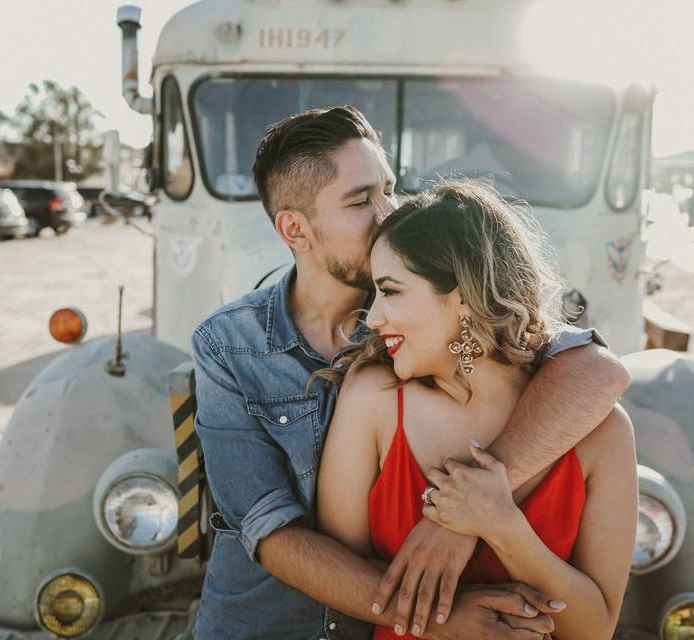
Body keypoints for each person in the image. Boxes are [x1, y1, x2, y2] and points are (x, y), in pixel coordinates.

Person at [190, 105, 631, 639]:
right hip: (272, 626)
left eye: (389, 189)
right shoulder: (229, 345)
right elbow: (269, 530)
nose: (389, 211)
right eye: (361, 200)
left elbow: (596, 370)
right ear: (295, 229)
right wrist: (439, 615)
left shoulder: (435, 307)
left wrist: (459, 518)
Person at [317, 182, 638, 639]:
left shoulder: (602, 433)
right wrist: (447, 618)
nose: (373, 318)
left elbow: (595, 629)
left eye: (391, 291)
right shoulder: (373, 400)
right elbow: (337, 575)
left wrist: (498, 523)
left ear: (463, 297)